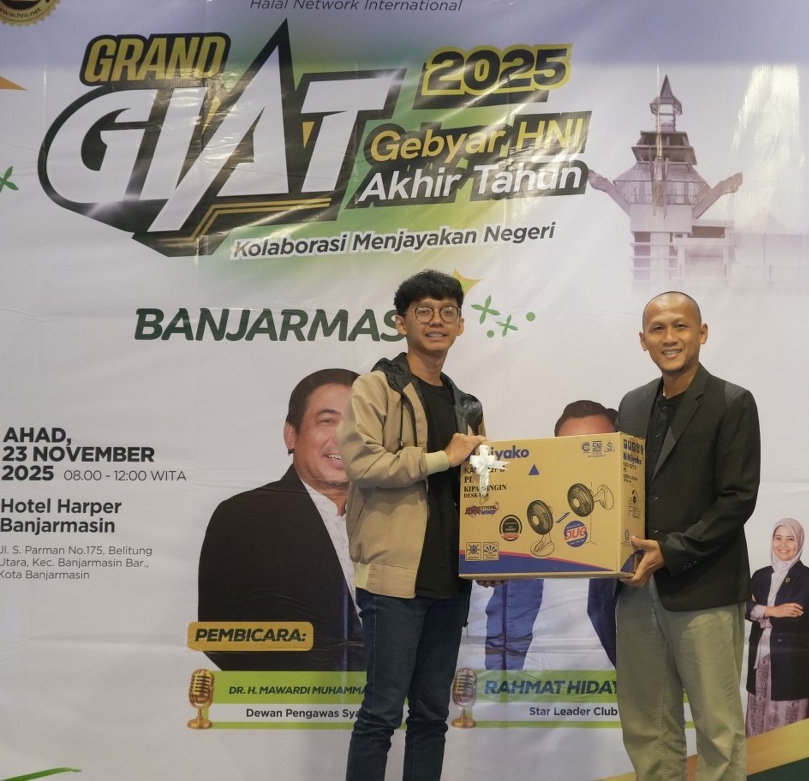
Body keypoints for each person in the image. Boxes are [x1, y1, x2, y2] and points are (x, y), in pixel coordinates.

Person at [339, 270, 487, 781]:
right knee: (380, 714)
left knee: (431, 717)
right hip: (393, 581)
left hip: (451, 580)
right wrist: (442, 458)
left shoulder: (467, 404)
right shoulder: (376, 387)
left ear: (461, 325)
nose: (436, 320)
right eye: (423, 311)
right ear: (401, 322)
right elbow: (363, 464)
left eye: (448, 312)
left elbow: (482, 493)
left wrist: (489, 557)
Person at [615, 291, 760, 781]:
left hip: (705, 588)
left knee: (718, 729)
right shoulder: (632, 404)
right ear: (643, 340)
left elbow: (737, 499)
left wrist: (672, 551)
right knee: (647, 727)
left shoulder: (732, 402)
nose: (669, 337)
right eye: (658, 328)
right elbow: (619, 492)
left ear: (702, 333)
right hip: (637, 589)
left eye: (680, 326)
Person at [197, 368, 363, 671]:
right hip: (289, 696)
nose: (343, 436)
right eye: (327, 421)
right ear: (292, 435)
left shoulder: (394, 517)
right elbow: (221, 636)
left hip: (389, 696)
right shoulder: (243, 518)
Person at [484, 400, 620, 669]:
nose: (582, 459)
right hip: (536, 688)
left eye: (596, 448)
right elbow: (503, 640)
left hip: (625, 685)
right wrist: (489, 569)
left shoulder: (641, 528)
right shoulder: (524, 529)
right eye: (570, 449)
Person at [745, 519, 809, 736]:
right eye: (778, 538)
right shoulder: (760, 575)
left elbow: (794, 616)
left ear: (799, 542)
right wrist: (773, 611)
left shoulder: (808, 577)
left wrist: (759, 611)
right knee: (758, 728)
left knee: (789, 732)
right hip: (760, 663)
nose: (783, 545)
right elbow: (742, 607)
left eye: (790, 539)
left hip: (791, 664)